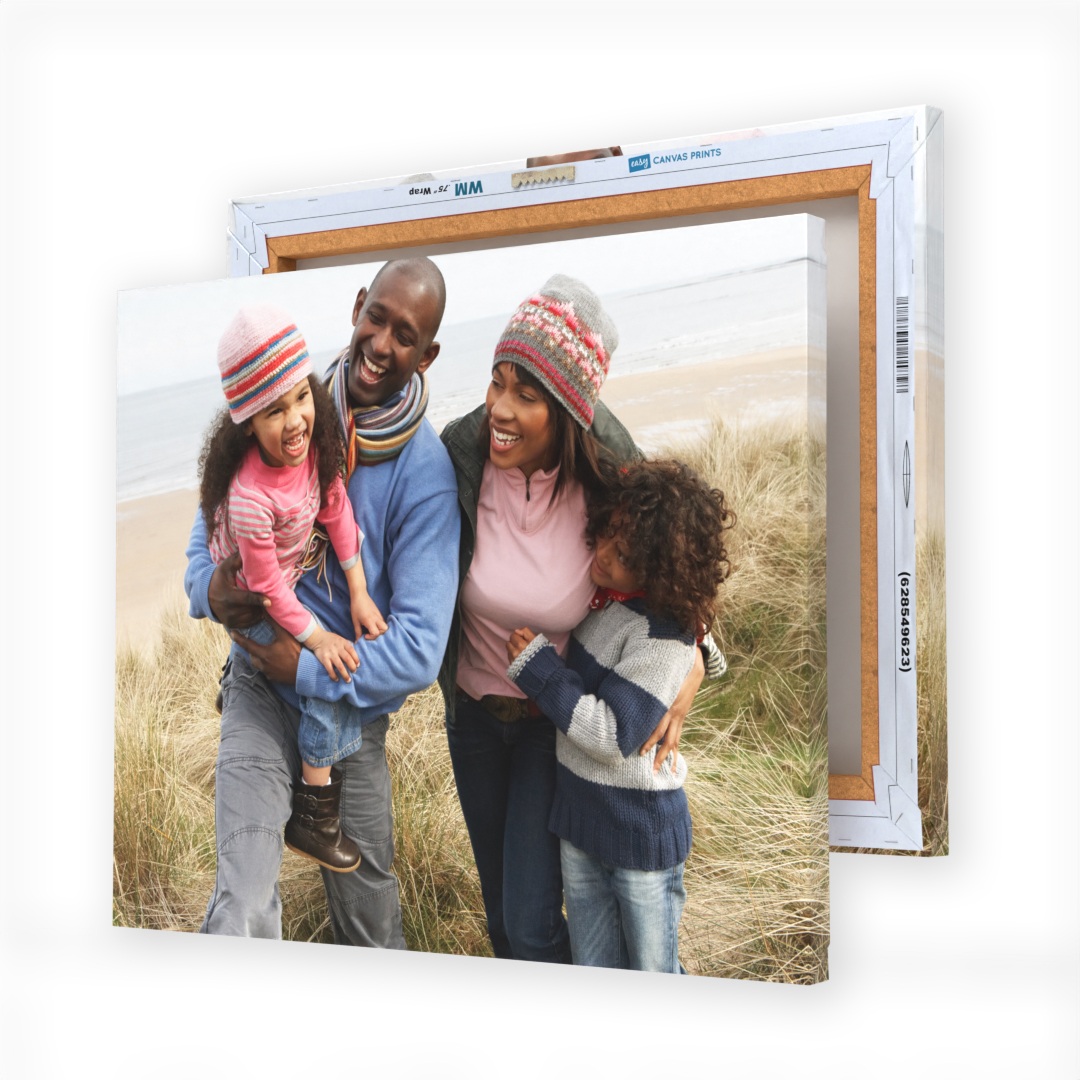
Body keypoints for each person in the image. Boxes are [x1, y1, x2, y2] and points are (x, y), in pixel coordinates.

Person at [185, 257, 459, 944]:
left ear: (427, 354)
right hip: (255, 688)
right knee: (242, 906)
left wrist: (302, 666)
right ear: (358, 306)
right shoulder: (281, 407)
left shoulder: (426, 476)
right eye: (378, 318)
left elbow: (420, 652)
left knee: (370, 920)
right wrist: (211, 592)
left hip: (350, 714)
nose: (382, 343)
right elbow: (203, 550)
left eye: (406, 335)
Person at [438, 274, 704, 964]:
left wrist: (696, 655)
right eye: (497, 383)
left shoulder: (607, 479)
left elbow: (680, 556)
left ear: (565, 409)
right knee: (502, 921)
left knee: (530, 925)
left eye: (526, 394)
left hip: (548, 728)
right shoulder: (461, 457)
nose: (500, 407)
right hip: (470, 720)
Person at [506, 459, 735, 972]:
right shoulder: (607, 603)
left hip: (640, 836)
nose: (603, 556)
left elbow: (612, 734)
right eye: (606, 535)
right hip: (582, 826)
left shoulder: (664, 634)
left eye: (625, 554)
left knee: (652, 972)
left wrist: (539, 671)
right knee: (595, 968)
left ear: (660, 568)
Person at [198, 305, 389, 874]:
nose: (296, 420)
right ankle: (315, 812)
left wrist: (358, 591)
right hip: (253, 597)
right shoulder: (252, 499)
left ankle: (242, 678)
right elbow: (266, 590)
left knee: (315, 666)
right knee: (324, 687)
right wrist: (321, 639)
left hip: (282, 585)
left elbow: (339, 512)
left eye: (301, 397)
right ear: (248, 424)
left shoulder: (315, 446)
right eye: (273, 411)